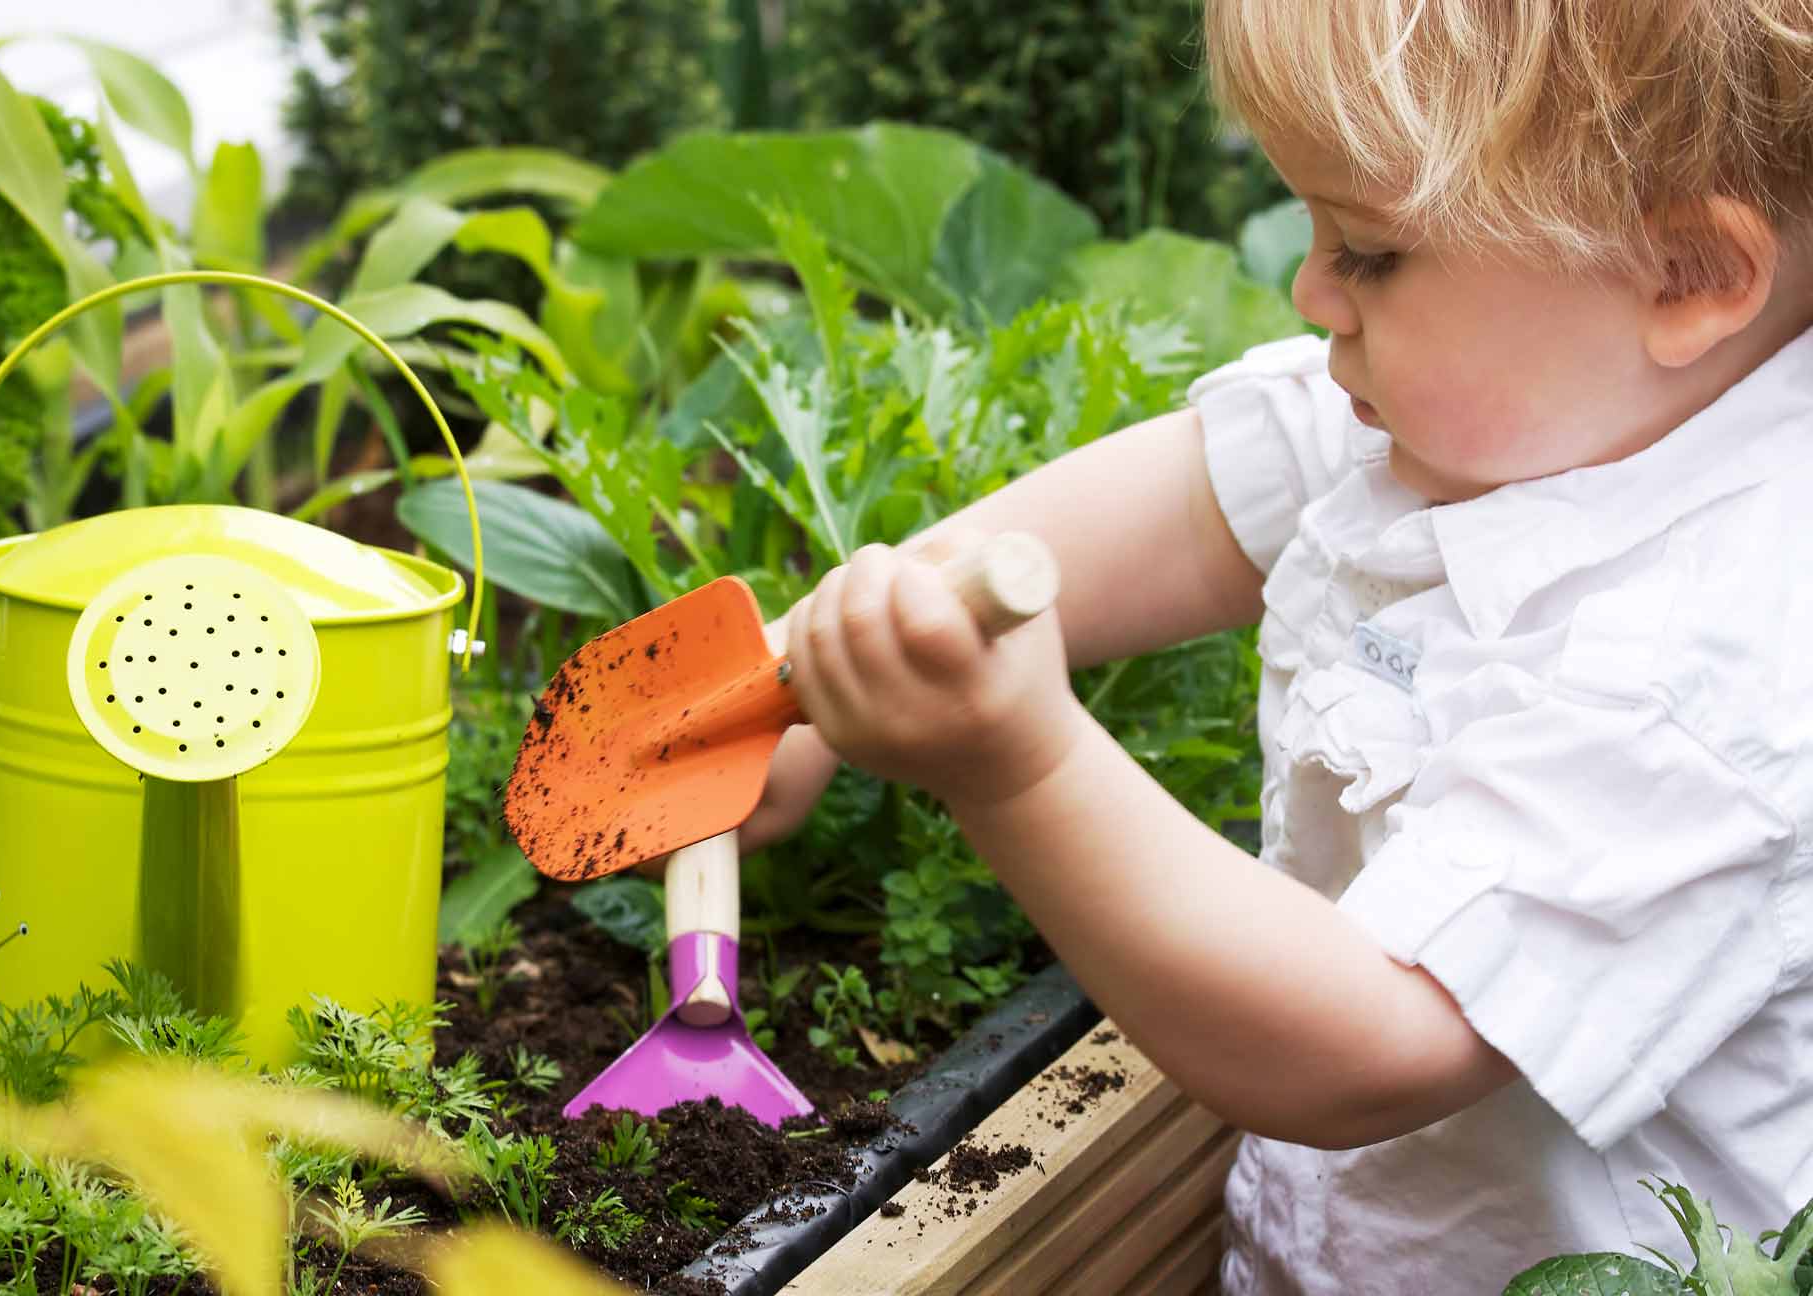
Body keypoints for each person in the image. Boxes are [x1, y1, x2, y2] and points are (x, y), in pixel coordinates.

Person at [742, 2, 1813, 1291]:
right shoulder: (1516, 401)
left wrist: (1011, 764)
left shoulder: (1717, 668)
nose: (1312, 293)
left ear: (1688, 276)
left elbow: (1371, 1042)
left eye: (1367, 250)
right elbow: (1200, 503)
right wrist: (811, 664)